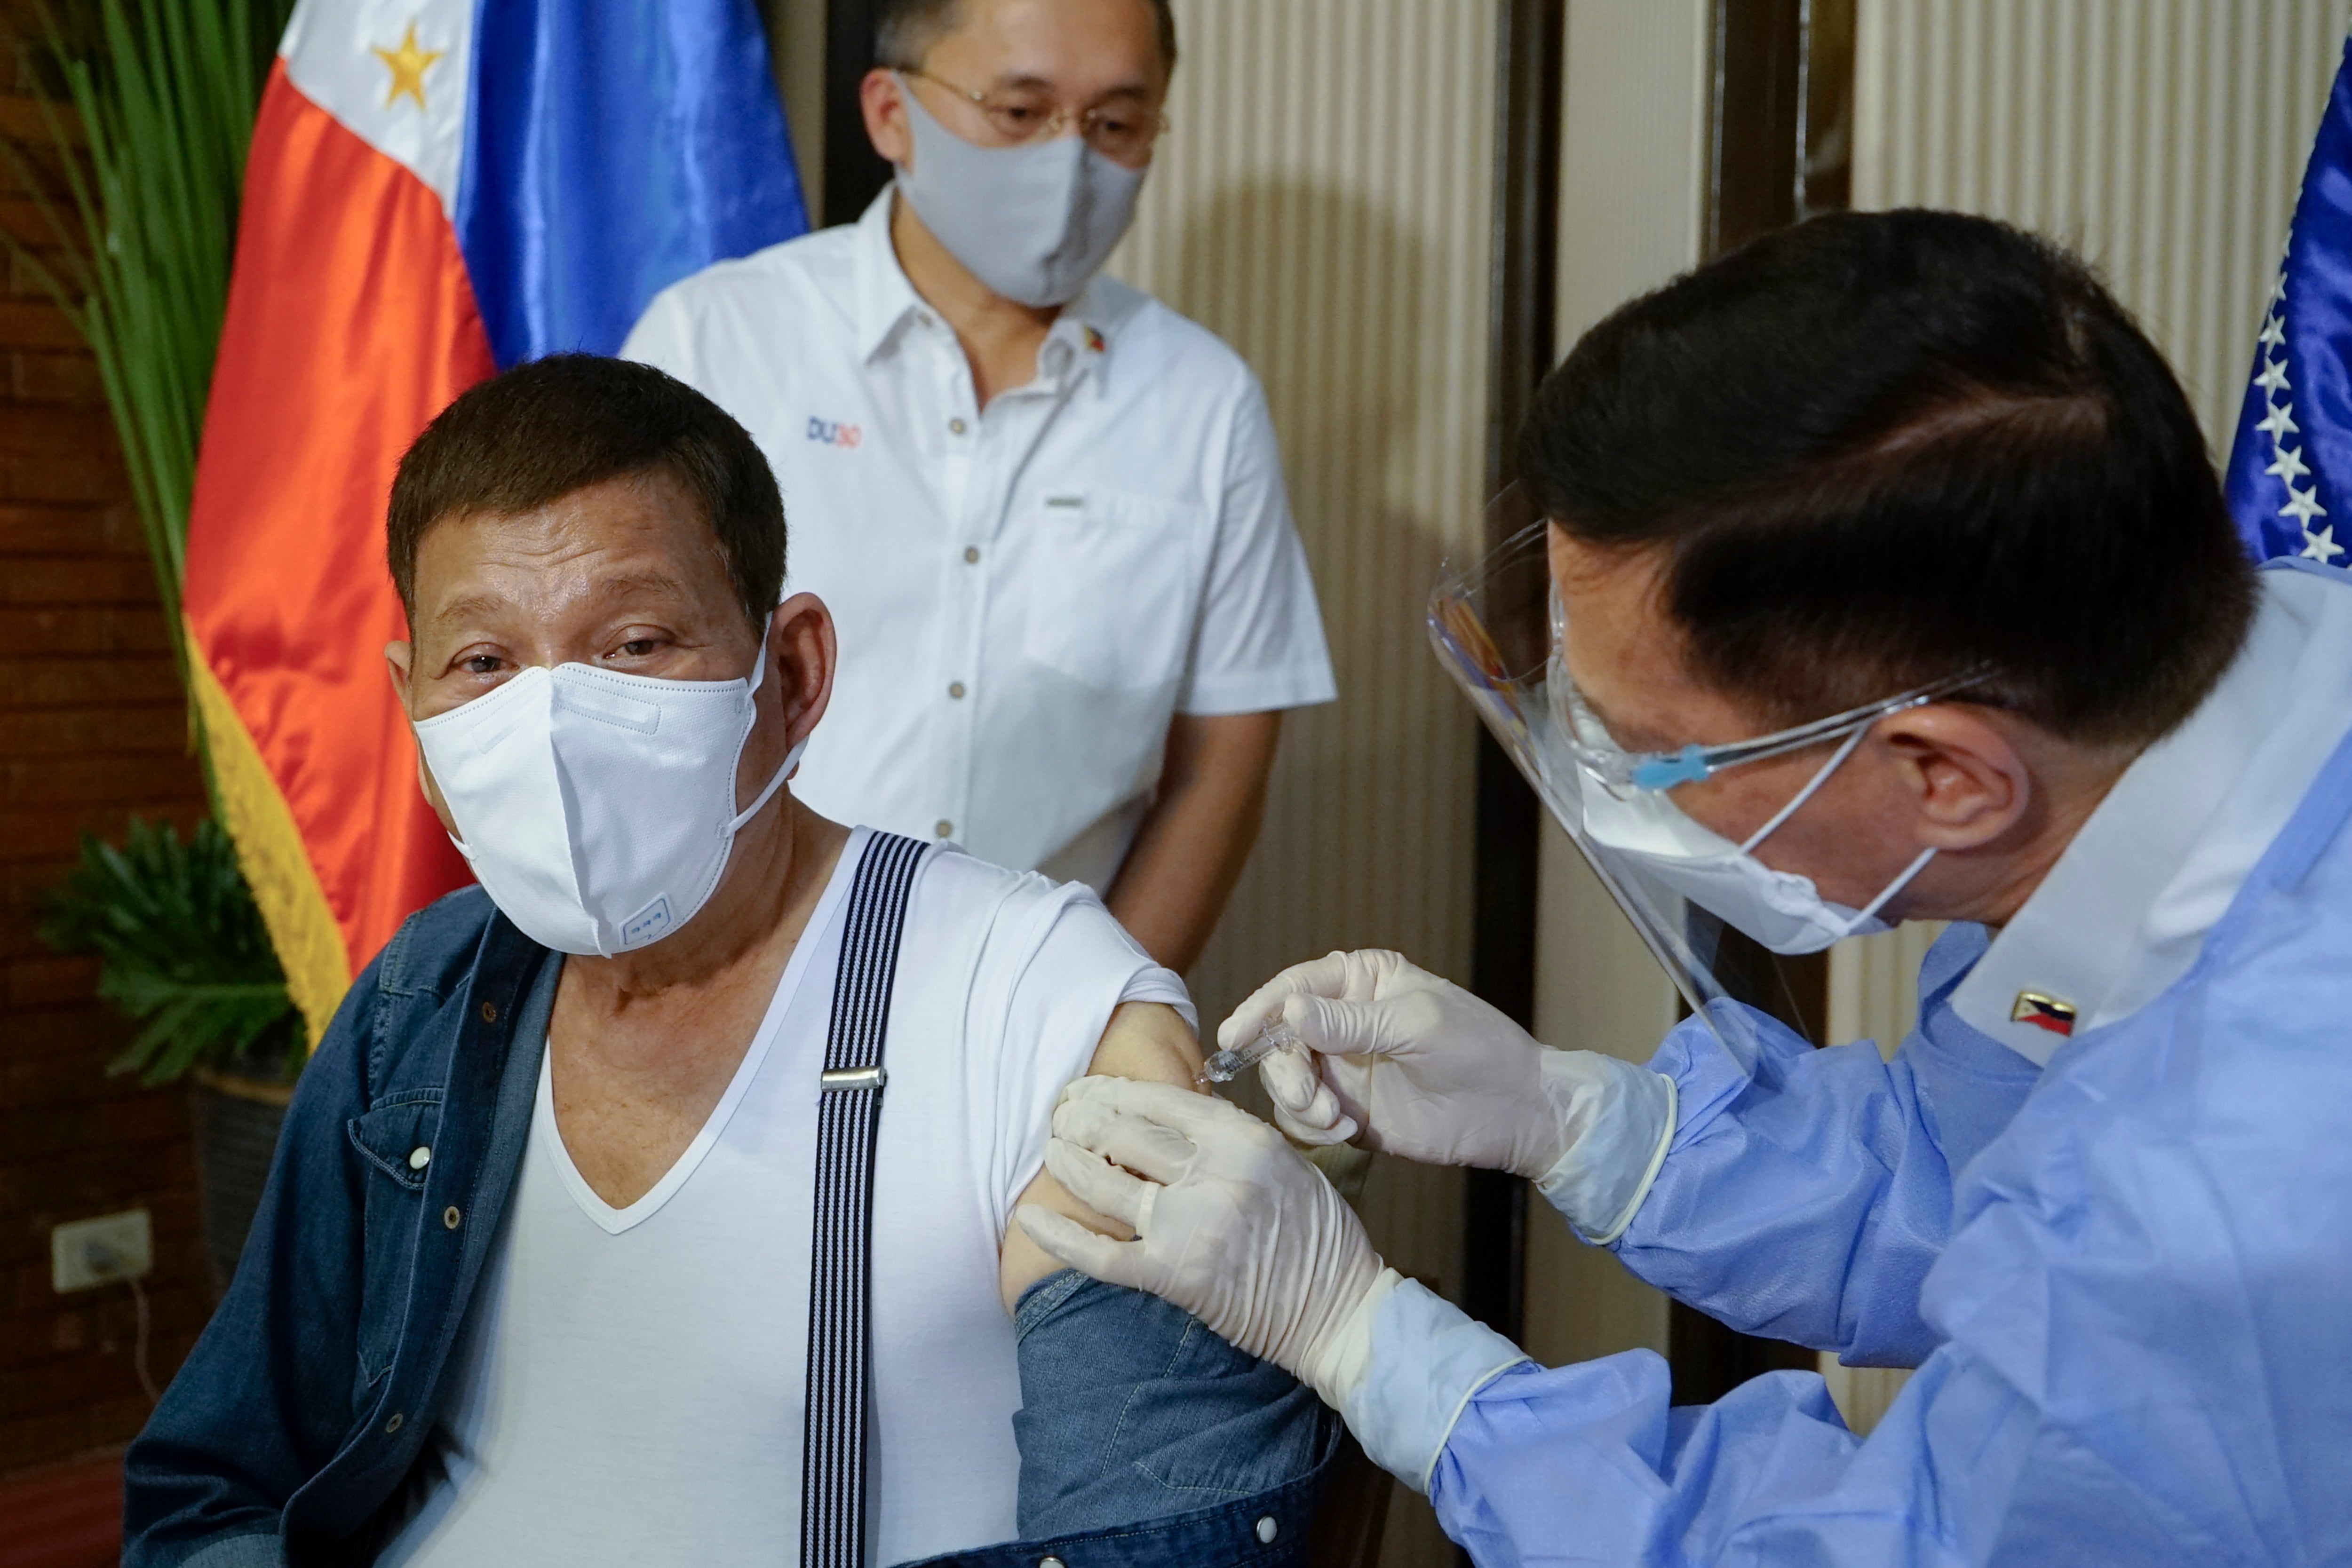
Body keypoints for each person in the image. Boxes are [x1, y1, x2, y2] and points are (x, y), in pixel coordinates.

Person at [1018, 211, 2352, 1562]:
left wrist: (1362, 1332)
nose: (1605, 781)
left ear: (1947, 778)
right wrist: (1584, 1120)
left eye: (1655, 755)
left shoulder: (2233, 1179)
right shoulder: (2185, 739)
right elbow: (1976, 1181)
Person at [120, 356, 1331, 1568]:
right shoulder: (422, 1003)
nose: (553, 723)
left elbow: (1164, 1538)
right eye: (483, 662)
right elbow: (212, 1487)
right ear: (414, 709)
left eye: (635, 642)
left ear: (791, 674)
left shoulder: (1033, 1005)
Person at [622, 0, 1336, 973]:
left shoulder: (1202, 401)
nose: (1069, 161)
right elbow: (617, 690)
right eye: (1018, 112)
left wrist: (1095, 1028)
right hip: (728, 989)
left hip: (1038, 1016)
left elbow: (1220, 764)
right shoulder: (718, 342)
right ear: (890, 114)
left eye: (1116, 125)